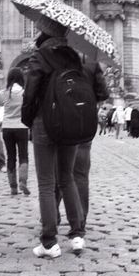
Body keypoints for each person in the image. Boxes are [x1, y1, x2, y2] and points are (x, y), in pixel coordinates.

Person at [21, 21, 87, 258]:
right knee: (67, 178)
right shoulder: (75, 57)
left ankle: (49, 242)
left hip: (44, 122)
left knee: (47, 183)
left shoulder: (40, 57)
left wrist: (28, 119)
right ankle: (77, 234)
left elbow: (30, 93)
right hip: (71, 122)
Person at [53, 53, 111, 232]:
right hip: (85, 121)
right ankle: (80, 219)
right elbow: (104, 93)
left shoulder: (55, 61)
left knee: (59, 170)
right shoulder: (92, 65)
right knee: (80, 173)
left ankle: (52, 212)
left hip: (61, 121)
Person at [0, 66, 31, 198]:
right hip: (22, 127)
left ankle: (13, 187)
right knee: (23, 155)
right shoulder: (24, 92)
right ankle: (23, 181)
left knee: (11, 156)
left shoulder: (4, 92)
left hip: (7, 127)